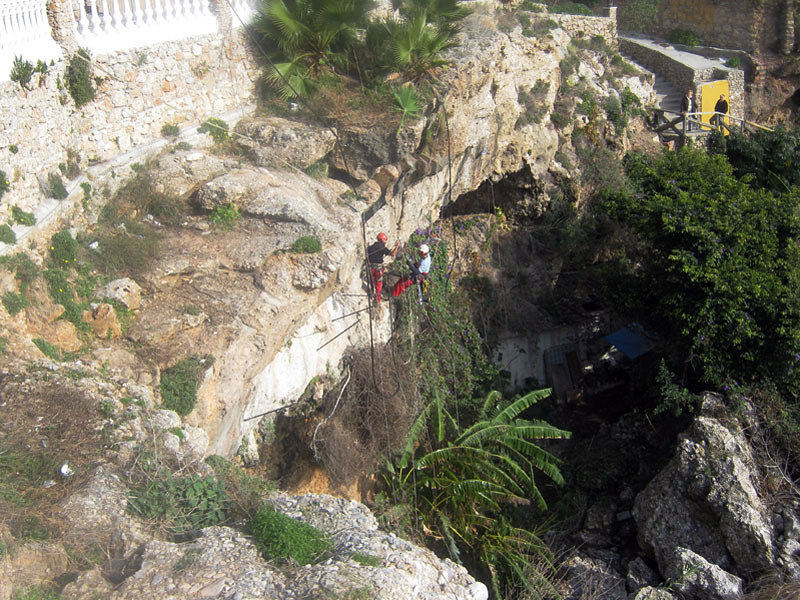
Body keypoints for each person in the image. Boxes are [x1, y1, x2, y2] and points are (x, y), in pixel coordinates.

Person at [367, 232, 398, 303]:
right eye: (385, 240)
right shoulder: (382, 247)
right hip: (378, 268)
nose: (386, 242)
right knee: (379, 283)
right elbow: (392, 254)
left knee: (372, 281)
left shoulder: (371, 247)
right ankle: (377, 299)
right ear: (381, 239)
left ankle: (371, 293)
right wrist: (397, 246)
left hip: (371, 267)